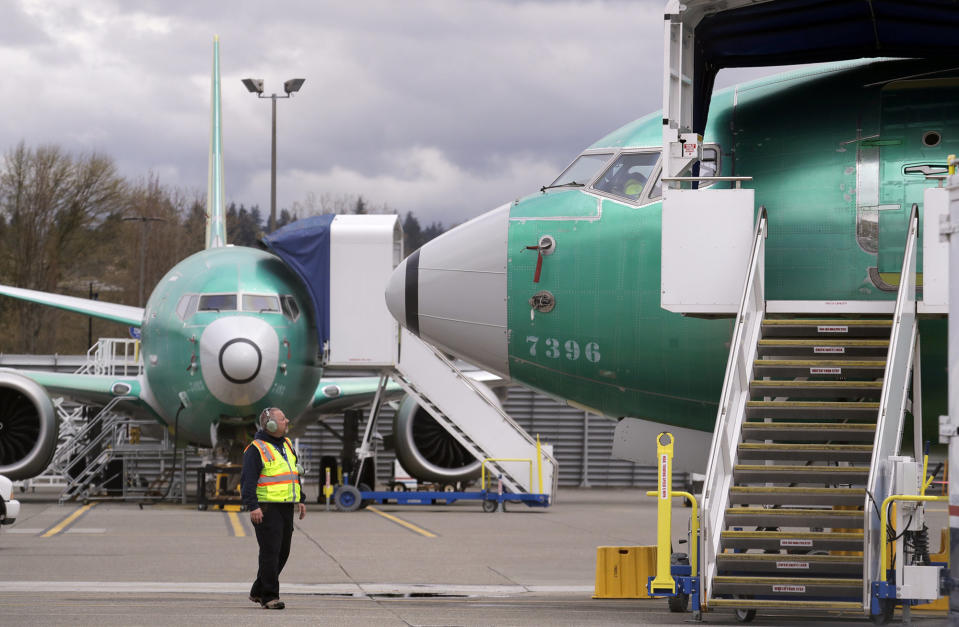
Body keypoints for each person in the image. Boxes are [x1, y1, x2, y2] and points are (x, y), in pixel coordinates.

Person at [240, 407, 307, 610]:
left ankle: (257, 590)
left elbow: (294, 473)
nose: (287, 420)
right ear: (270, 424)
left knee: (282, 552)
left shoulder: (286, 444)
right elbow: (247, 481)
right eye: (282, 418)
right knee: (270, 552)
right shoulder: (256, 449)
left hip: (286, 506)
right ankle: (269, 597)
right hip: (266, 508)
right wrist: (253, 506)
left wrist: (301, 499)